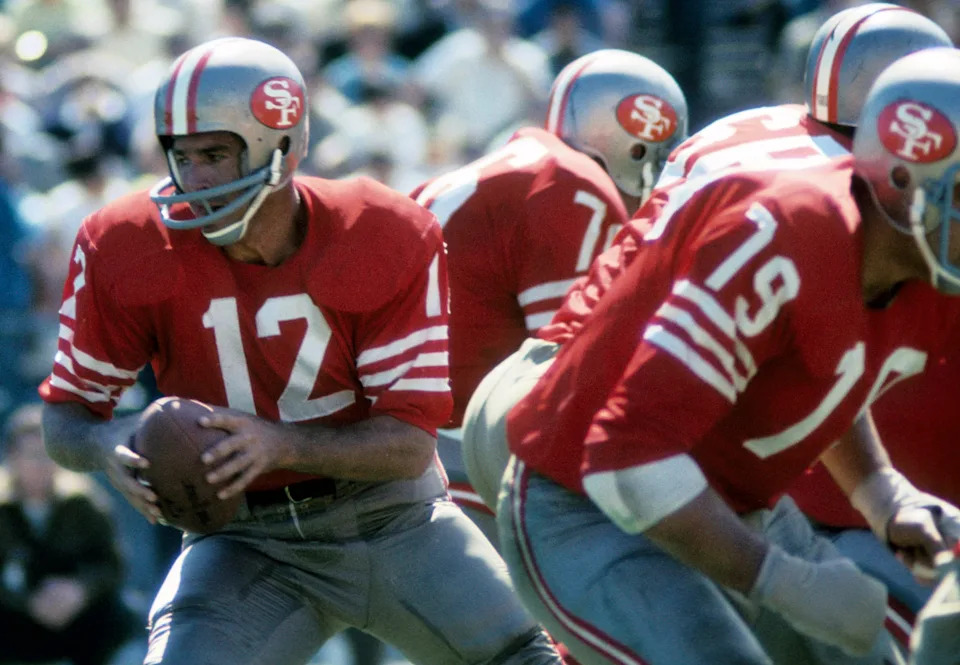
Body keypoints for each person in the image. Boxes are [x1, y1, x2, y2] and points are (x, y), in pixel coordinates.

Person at [37, 37, 561, 665]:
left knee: (526, 658)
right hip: (242, 537)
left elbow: (407, 445)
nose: (192, 178)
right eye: (181, 156)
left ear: (279, 148)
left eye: (214, 155)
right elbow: (65, 419)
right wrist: (109, 445)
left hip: (389, 520)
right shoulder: (126, 244)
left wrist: (278, 442)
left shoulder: (380, 231)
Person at [463, 43, 960, 665]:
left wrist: (884, 495)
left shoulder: (915, 256)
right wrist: (781, 580)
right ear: (903, 180)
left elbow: (827, 367)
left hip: (729, 495)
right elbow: (628, 457)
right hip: (588, 497)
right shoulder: (791, 231)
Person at [409, 48, 687, 541]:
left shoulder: (510, 168)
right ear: (638, 147)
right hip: (458, 462)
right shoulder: (569, 185)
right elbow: (568, 373)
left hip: (406, 438)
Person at [0, 403, 141, 665]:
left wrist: (80, 589)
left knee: (122, 615)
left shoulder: (83, 503)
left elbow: (112, 564)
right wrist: (27, 601)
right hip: (15, 616)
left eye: (46, 456)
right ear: (12, 457)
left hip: (76, 615)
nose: (40, 466)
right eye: (31, 455)